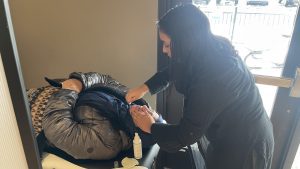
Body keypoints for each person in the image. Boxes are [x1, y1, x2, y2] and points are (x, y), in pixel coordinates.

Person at [126, 4, 274, 169]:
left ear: (185, 43)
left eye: (167, 44)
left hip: (246, 146)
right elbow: (173, 70)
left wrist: (150, 126)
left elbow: (186, 135)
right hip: (227, 135)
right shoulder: (203, 50)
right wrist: (144, 88)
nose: (163, 50)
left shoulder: (216, 76)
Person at [27, 72, 164, 160]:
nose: (145, 108)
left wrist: (69, 90)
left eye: (147, 115)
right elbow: (104, 79)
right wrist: (80, 81)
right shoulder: (128, 102)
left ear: (138, 132)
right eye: (152, 110)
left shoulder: (108, 143)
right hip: (36, 93)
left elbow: (57, 129)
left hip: (28, 118)